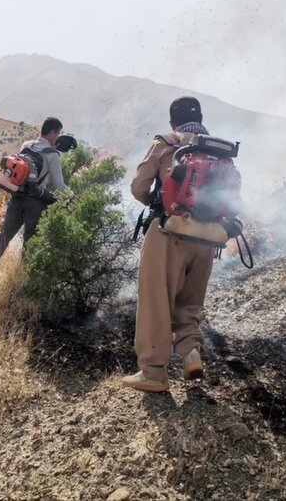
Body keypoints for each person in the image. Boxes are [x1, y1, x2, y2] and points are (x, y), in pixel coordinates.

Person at [122, 97, 215, 392]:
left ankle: (153, 371)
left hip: (169, 231)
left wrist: (155, 202)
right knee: (190, 301)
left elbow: (139, 185)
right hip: (209, 236)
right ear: (201, 117)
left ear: (173, 122)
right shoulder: (217, 149)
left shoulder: (166, 142)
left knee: (156, 298)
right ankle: (191, 354)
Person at [0, 117, 66, 261]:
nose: (57, 137)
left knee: (5, 234)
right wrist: (71, 196)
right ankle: (23, 277)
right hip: (36, 203)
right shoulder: (53, 155)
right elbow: (58, 184)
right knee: (30, 242)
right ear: (52, 133)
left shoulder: (26, 145)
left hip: (17, 195)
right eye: (57, 134)